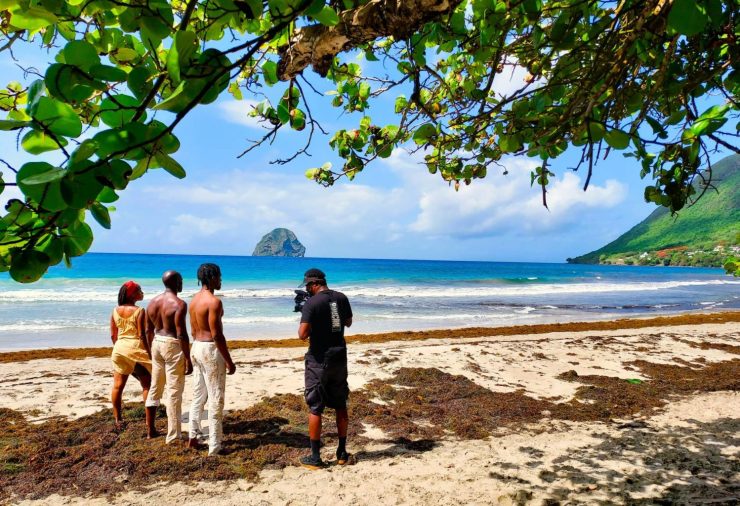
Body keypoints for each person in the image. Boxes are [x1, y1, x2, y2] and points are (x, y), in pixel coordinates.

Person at [298, 268, 353, 469]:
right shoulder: (341, 297)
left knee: (315, 406)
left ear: (313, 284)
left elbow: (302, 334)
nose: (306, 289)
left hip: (319, 359)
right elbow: (347, 322)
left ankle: (315, 457)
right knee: (340, 403)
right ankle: (342, 452)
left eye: (307, 286)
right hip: (339, 356)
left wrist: (310, 317)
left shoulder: (311, 303)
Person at [188, 263, 236, 456]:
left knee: (199, 394)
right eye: (219, 276)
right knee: (216, 398)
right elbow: (217, 335)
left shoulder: (193, 301)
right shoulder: (214, 302)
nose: (221, 280)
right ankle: (214, 445)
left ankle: (193, 435)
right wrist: (229, 360)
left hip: (196, 346)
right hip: (209, 349)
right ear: (211, 278)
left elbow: (192, 330)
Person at [144, 270, 193, 443]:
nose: (182, 283)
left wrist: (151, 350)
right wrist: (188, 357)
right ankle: (173, 435)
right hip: (172, 344)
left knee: (155, 387)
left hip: (156, 342)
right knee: (174, 391)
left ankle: (150, 430)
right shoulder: (179, 304)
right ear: (175, 282)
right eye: (180, 280)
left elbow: (148, 330)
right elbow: (181, 333)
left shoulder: (152, 302)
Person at [110, 280, 156, 436]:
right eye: (139, 290)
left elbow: (113, 335)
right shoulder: (139, 311)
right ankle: (150, 426)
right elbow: (143, 335)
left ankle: (118, 419)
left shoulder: (115, 311)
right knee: (147, 384)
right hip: (136, 349)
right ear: (132, 294)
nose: (142, 292)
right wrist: (150, 354)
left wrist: (120, 348)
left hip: (119, 348)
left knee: (118, 386)